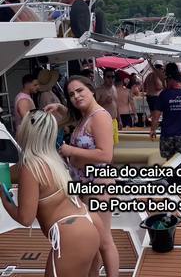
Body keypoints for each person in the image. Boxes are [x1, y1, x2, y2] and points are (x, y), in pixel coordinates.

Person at [0, 110, 103, 277]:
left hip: (71, 234)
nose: (17, 127)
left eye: (21, 124)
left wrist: (6, 201)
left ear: (27, 131)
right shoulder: (55, 160)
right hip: (88, 222)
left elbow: (26, 218)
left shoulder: (31, 167)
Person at [45, 75, 119, 277]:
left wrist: (71, 151)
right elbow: (72, 116)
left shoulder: (99, 116)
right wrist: (60, 108)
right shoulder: (85, 116)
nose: (76, 96)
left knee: (104, 241)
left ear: (91, 90)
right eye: (71, 94)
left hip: (99, 185)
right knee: (92, 240)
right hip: (85, 186)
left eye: (80, 91)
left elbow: (106, 154)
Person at [150, 65, 181, 160]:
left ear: (172, 80)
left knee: (169, 160)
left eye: (168, 80)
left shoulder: (164, 94)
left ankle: (171, 174)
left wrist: (153, 129)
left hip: (167, 135)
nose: (167, 82)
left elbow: (156, 116)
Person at [96, 68, 121, 143]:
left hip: (114, 121)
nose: (111, 79)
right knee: (106, 144)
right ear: (104, 77)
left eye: (113, 77)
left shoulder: (114, 88)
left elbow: (116, 105)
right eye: (108, 77)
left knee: (114, 145)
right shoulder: (99, 90)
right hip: (104, 122)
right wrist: (104, 102)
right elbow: (93, 108)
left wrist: (119, 120)